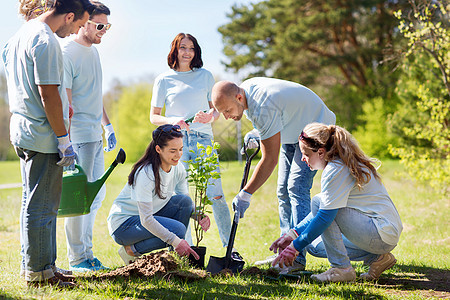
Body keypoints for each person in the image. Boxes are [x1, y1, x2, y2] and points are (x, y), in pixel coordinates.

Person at [2, 0, 93, 288]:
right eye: (79, 24)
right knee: (43, 206)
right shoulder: (47, 40)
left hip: (23, 129)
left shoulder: (21, 35)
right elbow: (49, 94)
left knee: (33, 202)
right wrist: (64, 139)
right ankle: (40, 274)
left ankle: (40, 266)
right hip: (43, 136)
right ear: (68, 16)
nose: (76, 30)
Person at [211, 78, 336, 272]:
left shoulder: (263, 107)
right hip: (293, 128)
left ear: (238, 97)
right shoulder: (246, 92)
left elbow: (269, 160)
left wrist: (246, 193)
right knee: (282, 190)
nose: (226, 117)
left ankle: (296, 257)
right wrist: (257, 132)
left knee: (296, 187)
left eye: (227, 111)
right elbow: (271, 120)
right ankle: (284, 251)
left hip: (315, 127)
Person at [270, 123, 403, 283]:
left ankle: (342, 269)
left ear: (320, 152)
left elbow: (325, 216)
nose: (303, 158)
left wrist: (294, 247)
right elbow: (322, 214)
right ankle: (378, 258)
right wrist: (293, 234)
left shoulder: (336, 169)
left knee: (320, 205)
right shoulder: (338, 165)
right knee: (313, 246)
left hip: (379, 232)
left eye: (305, 154)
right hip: (378, 235)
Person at [150, 33, 234, 253]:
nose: (187, 52)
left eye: (191, 48)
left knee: (216, 195)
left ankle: (229, 249)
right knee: (181, 197)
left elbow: (215, 109)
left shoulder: (205, 76)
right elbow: (154, 116)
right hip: (176, 143)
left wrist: (212, 117)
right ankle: (184, 249)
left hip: (203, 139)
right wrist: (172, 120)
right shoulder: (163, 79)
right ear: (175, 50)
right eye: (183, 48)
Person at [61, 0, 116, 273]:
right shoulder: (68, 52)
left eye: (107, 26)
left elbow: (95, 95)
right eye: (99, 25)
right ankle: (76, 259)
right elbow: (66, 102)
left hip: (95, 135)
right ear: (84, 21)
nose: (104, 31)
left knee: (96, 196)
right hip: (78, 137)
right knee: (77, 199)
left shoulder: (93, 52)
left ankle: (88, 254)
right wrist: (66, 142)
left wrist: (108, 126)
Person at [107, 124, 210, 265]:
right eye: (173, 151)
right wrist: (175, 241)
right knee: (178, 230)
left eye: (180, 149)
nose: (179, 155)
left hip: (146, 216)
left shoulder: (177, 168)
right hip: (124, 225)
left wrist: (197, 214)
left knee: (184, 202)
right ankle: (131, 250)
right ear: (158, 149)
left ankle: (174, 259)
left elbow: (185, 201)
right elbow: (146, 220)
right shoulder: (145, 174)